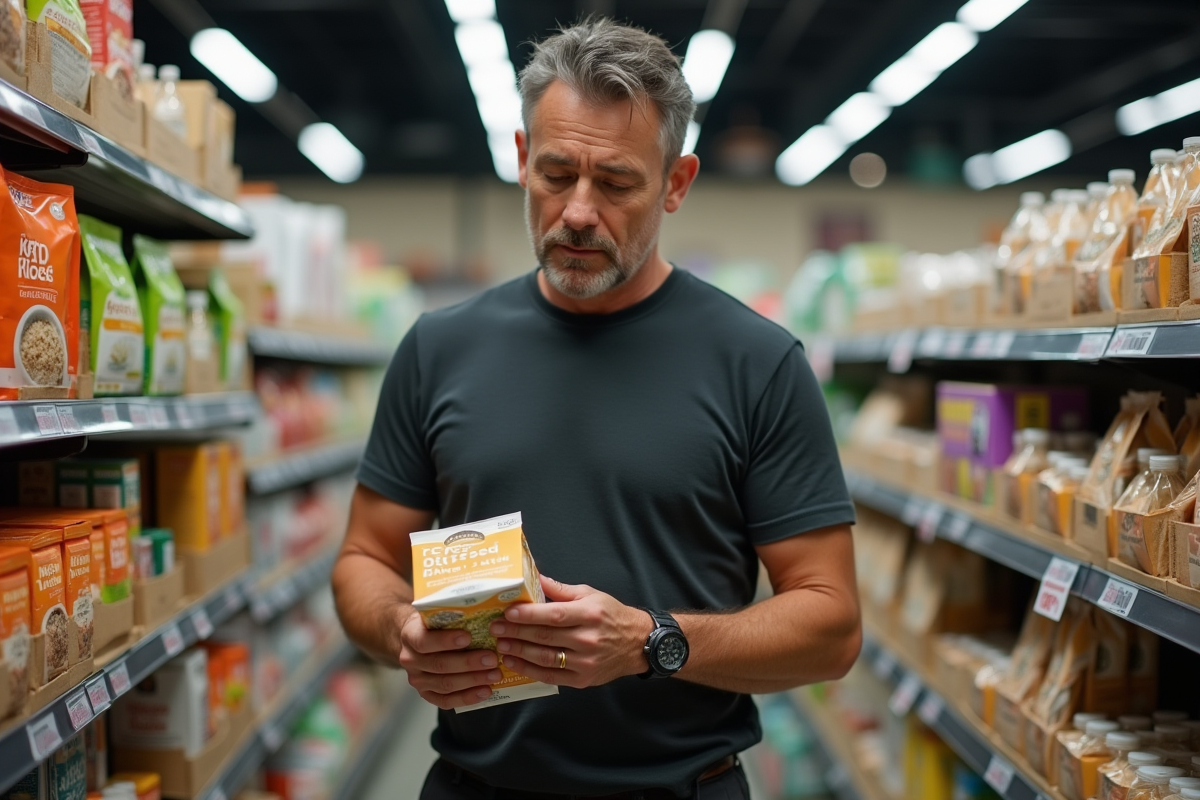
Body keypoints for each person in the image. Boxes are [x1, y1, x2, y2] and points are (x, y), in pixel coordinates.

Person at [332, 16, 861, 799]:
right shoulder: (439, 347)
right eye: (555, 174)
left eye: (615, 183)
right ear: (520, 159)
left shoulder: (758, 362)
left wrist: (653, 642)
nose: (579, 211)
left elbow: (831, 624)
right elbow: (364, 561)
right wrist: (401, 630)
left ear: (676, 183)